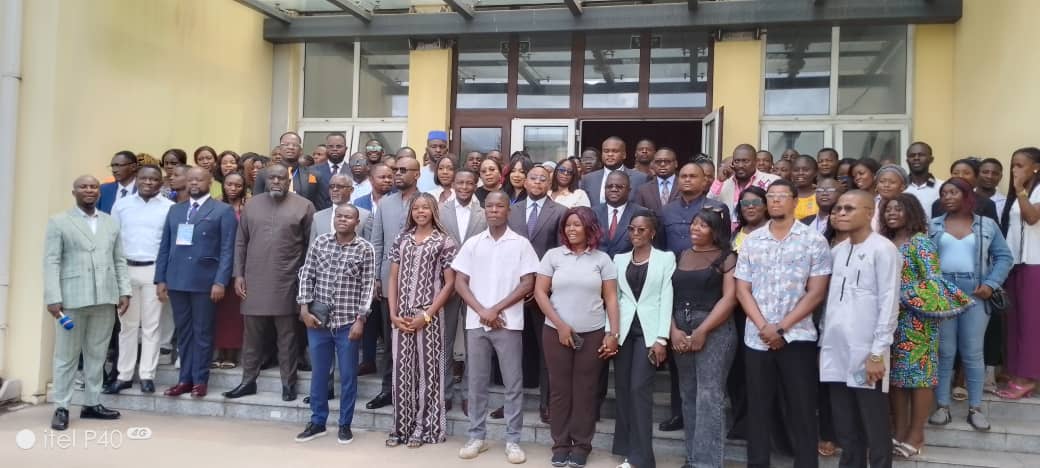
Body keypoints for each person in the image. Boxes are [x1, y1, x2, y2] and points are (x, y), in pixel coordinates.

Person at [735, 179, 832, 468]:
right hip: (757, 337)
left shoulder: (814, 240)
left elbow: (816, 292)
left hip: (798, 336)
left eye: (782, 196)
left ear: (794, 201)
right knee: (758, 407)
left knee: (802, 408)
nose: (776, 200)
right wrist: (764, 326)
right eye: (771, 196)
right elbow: (742, 289)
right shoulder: (752, 241)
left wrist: (781, 327)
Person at [880, 194, 971, 458]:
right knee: (895, 378)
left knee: (919, 377)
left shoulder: (920, 243)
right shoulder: (884, 242)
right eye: (888, 209)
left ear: (911, 212)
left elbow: (933, 282)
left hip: (916, 319)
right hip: (888, 320)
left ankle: (916, 434)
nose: (892, 213)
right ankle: (899, 432)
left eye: (898, 209)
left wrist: (900, 295)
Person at [454, 190, 538, 464]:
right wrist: (483, 311)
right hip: (476, 323)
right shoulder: (473, 243)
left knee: (513, 383)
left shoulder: (521, 244)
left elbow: (528, 283)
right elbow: (459, 282)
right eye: (489, 206)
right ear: (484, 210)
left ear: (508, 210)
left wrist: (496, 309)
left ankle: (513, 440)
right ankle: (476, 436)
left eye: (499, 206)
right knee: (476, 382)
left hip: (509, 323)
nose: (493, 210)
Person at [818, 190, 901, 468]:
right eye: (839, 208)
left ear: (869, 213)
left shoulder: (883, 250)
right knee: (845, 425)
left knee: (873, 424)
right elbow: (830, 304)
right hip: (836, 350)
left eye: (850, 208)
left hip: (866, 353)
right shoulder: (837, 252)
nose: (841, 213)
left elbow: (889, 302)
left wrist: (877, 353)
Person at [534, 206, 620, 468]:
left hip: (592, 333)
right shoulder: (553, 256)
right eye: (568, 225)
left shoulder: (602, 260)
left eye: (577, 224)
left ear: (589, 228)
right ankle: (560, 445)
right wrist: (560, 326)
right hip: (555, 333)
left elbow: (611, 298)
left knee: (585, 391)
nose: (571, 229)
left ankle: (581, 445)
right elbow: (540, 293)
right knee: (560, 391)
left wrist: (613, 333)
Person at [45, 175, 131, 431]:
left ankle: (92, 403)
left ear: (99, 192)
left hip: (105, 297)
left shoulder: (110, 222)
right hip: (71, 299)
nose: (89, 190)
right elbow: (51, 261)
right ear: (74, 192)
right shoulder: (59, 221)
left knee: (97, 354)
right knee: (66, 356)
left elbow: (119, 259)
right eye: (83, 186)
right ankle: (61, 406)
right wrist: (52, 297)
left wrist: (124, 291)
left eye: (94, 186)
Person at [225, 163, 316, 402]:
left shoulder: (304, 206)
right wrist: (238, 275)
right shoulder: (252, 204)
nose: (276, 181)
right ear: (265, 181)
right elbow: (241, 242)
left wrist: (306, 282)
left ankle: (289, 384)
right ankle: (248, 381)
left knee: (287, 338)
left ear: (288, 180)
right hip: (253, 280)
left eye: (281, 178)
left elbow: (312, 247)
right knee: (252, 337)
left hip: (288, 280)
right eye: (272, 178)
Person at [927, 178, 1013, 431]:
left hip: (976, 291)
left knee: (973, 351)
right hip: (943, 291)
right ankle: (942, 407)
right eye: (944, 193)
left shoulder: (986, 224)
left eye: (953, 192)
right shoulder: (933, 225)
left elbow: (1004, 256)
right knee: (945, 351)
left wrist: (991, 284)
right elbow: (924, 259)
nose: (947, 197)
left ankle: (975, 408)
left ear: (967, 196)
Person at [294, 204, 377, 444]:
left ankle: (344, 425)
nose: (342, 220)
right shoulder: (320, 243)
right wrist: (304, 309)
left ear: (357, 222)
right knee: (319, 375)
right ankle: (317, 422)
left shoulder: (365, 249)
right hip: (317, 322)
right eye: (339, 216)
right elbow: (306, 275)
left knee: (348, 377)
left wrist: (361, 320)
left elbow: (368, 287)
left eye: (348, 217)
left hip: (347, 323)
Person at [155, 167, 237, 398]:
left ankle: (200, 380)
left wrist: (220, 281)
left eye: (199, 180)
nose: (193, 183)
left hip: (205, 281)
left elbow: (227, 249)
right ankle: (184, 379)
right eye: (190, 179)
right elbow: (165, 246)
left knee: (202, 332)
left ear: (210, 182)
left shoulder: (222, 210)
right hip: (177, 279)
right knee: (184, 332)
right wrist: (161, 278)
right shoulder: (175, 210)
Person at [384, 193, 458, 447]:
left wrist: (427, 315)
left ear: (433, 211)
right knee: (401, 372)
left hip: (429, 317)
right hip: (402, 316)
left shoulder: (444, 241)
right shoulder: (402, 239)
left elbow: (450, 284)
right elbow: (392, 278)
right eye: (416, 208)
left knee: (429, 375)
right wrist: (393, 314)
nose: (420, 211)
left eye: (425, 207)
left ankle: (426, 429)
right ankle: (400, 428)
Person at [668, 204, 738, 468]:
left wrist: (703, 330)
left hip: (715, 329)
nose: (695, 228)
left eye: (703, 225)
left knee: (709, 395)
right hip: (680, 328)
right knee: (688, 393)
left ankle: (708, 463)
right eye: (694, 223)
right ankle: (693, 457)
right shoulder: (681, 255)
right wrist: (673, 330)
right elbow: (666, 295)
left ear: (715, 230)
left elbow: (730, 298)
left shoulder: (727, 257)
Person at [610, 211, 673, 468]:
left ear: (652, 233)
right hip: (624, 332)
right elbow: (614, 299)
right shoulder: (619, 259)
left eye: (641, 229)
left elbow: (666, 297)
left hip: (649, 333)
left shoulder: (666, 259)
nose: (635, 233)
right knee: (623, 390)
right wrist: (611, 332)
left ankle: (642, 458)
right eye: (632, 229)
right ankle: (627, 450)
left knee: (639, 390)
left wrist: (662, 338)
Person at [104, 166, 173, 395]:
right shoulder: (121, 205)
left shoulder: (169, 207)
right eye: (144, 178)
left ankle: (147, 375)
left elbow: (169, 244)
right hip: (126, 269)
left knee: (152, 326)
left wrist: (164, 277)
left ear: (160, 182)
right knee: (127, 326)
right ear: (137, 179)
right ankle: (124, 375)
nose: (148, 182)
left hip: (154, 270)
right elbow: (112, 239)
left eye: (154, 179)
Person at [507, 166, 568, 424]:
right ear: (525, 181)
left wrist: (542, 285)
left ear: (549, 183)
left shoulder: (561, 212)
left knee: (546, 351)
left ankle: (547, 404)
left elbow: (561, 254)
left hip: (545, 292)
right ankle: (511, 403)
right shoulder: (512, 210)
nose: (538, 182)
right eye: (533, 178)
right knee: (513, 350)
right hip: (513, 291)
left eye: (543, 179)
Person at [368, 156, 424, 410]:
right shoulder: (385, 203)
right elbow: (377, 241)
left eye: (403, 170)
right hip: (388, 282)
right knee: (391, 340)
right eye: (395, 170)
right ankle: (389, 390)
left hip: (420, 285)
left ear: (417, 174)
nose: (397, 174)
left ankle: (416, 391)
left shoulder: (427, 202)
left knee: (418, 341)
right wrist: (375, 278)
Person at [439, 169, 487, 414]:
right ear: (453, 184)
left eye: (470, 183)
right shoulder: (440, 210)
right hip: (446, 283)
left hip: (475, 285)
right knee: (444, 340)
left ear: (476, 185)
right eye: (460, 182)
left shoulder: (484, 213)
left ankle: (470, 395)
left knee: (473, 342)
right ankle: (445, 393)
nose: (465, 187)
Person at [1000, 147, 1040, 399]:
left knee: (1031, 323)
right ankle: (1016, 373)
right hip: (1016, 263)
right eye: (1013, 165)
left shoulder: (1031, 191)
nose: (1015, 170)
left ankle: (1027, 377)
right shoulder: (1017, 194)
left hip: (1035, 263)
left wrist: (1020, 189)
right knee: (1016, 322)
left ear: (1036, 168)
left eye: (1020, 165)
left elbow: (1032, 218)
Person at [213, 172, 248, 369]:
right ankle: (218, 350)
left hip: (241, 263)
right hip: (218, 263)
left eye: (238, 185)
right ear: (223, 185)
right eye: (229, 184)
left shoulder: (248, 207)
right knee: (218, 309)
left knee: (235, 311)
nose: (233, 188)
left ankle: (232, 352)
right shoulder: (215, 205)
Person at [662, 162, 727, 256]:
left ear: (704, 181)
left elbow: (723, 243)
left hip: (705, 263)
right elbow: (660, 245)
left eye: (693, 176)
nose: (687, 179)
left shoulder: (717, 208)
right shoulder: (667, 210)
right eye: (683, 176)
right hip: (671, 264)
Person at [254, 131, 330, 210]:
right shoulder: (264, 174)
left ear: (301, 150)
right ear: (280, 149)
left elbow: (319, 206)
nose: (290, 147)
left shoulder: (314, 175)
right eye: (286, 144)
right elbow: (257, 203)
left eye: (295, 145)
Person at [712, 144, 780, 231]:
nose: (740, 165)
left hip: (764, 234)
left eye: (745, 161)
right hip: (732, 236)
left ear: (755, 162)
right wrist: (719, 181)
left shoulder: (772, 181)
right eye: (737, 161)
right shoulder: (724, 184)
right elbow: (710, 204)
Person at [581, 137, 648, 206]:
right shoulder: (588, 179)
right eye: (606, 151)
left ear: (624, 155)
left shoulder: (641, 178)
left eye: (615, 151)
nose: (610, 154)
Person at [595, 172, 648, 258]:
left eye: (619, 187)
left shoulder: (642, 213)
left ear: (629, 190)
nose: (614, 189)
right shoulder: (593, 212)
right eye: (609, 186)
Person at [931, 158, 1000, 222]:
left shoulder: (987, 204)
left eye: (966, 173)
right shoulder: (939, 204)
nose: (960, 176)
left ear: (976, 177)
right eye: (956, 173)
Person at [312, 173, 372, 243]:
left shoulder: (365, 216)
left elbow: (370, 244)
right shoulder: (318, 217)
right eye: (331, 187)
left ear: (351, 190)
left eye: (339, 187)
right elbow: (312, 246)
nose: (334, 189)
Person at [903, 142, 944, 219]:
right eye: (912, 155)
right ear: (907, 160)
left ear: (931, 159)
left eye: (921, 155)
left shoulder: (942, 187)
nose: (916, 158)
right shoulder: (900, 187)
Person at [634, 148, 680, 215]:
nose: (662, 164)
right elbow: (639, 215)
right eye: (658, 161)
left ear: (676, 164)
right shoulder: (642, 190)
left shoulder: (684, 185)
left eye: (667, 161)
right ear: (653, 164)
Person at [792, 156, 819, 220]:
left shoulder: (821, 195)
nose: (800, 173)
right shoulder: (786, 195)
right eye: (796, 170)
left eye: (806, 170)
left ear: (816, 172)